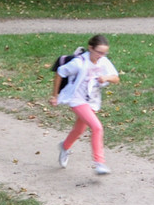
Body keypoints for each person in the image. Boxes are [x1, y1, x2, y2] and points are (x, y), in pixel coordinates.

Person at [50, 34, 120, 175]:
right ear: (90, 48)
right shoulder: (79, 63)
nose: (101, 55)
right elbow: (60, 73)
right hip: (76, 99)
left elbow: (116, 78)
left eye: (104, 52)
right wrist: (55, 96)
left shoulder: (103, 61)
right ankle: (99, 163)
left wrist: (106, 77)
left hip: (92, 100)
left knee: (79, 130)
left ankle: (64, 146)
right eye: (99, 52)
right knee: (97, 127)